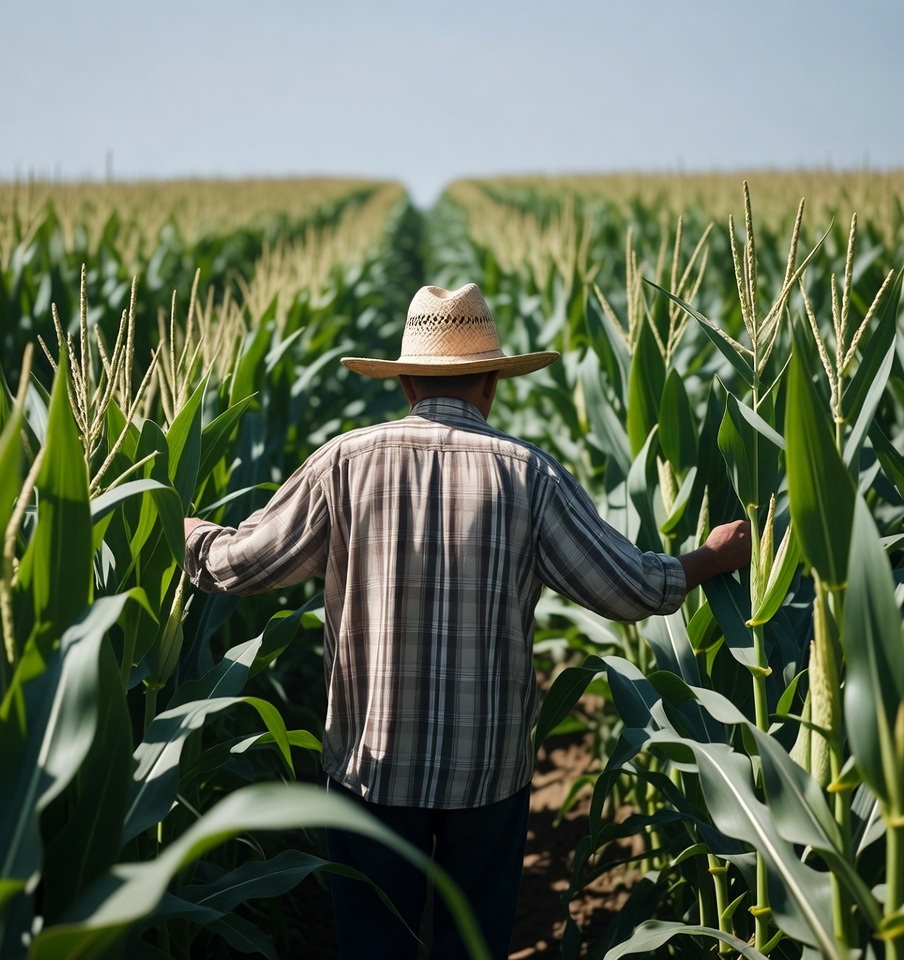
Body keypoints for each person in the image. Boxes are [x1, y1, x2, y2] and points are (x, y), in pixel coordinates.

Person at [183, 283, 750, 959]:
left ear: (405, 385)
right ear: (491, 384)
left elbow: (240, 566)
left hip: (371, 766)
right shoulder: (530, 476)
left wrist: (180, 528)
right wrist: (710, 557)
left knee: (376, 947)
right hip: (487, 772)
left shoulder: (343, 463)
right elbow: (628, 590)